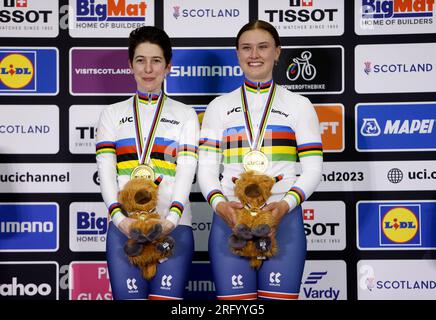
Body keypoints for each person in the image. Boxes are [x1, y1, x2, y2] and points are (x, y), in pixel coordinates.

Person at [198, 20, 323, 300]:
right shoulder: (218, 107)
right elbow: (205, 169)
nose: (254, 55)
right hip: (230, 218)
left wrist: (285, 205)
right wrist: (220, 206)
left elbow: (313, 169)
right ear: (237, 54)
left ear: (277, 52)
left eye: (263, 47)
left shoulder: (299, 105)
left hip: (283, 218)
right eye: (246, 48)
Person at [96, 26, 199, 300]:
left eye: (156, 61)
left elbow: (187, 170)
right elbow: (106, 172)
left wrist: (172, 219)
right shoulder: (111, 114)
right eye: (140, 60)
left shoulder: (186, 115)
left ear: (168, 66)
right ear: (130, 65)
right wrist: (120, 221)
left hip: (173, 227)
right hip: (124, 228)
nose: (148, 68)